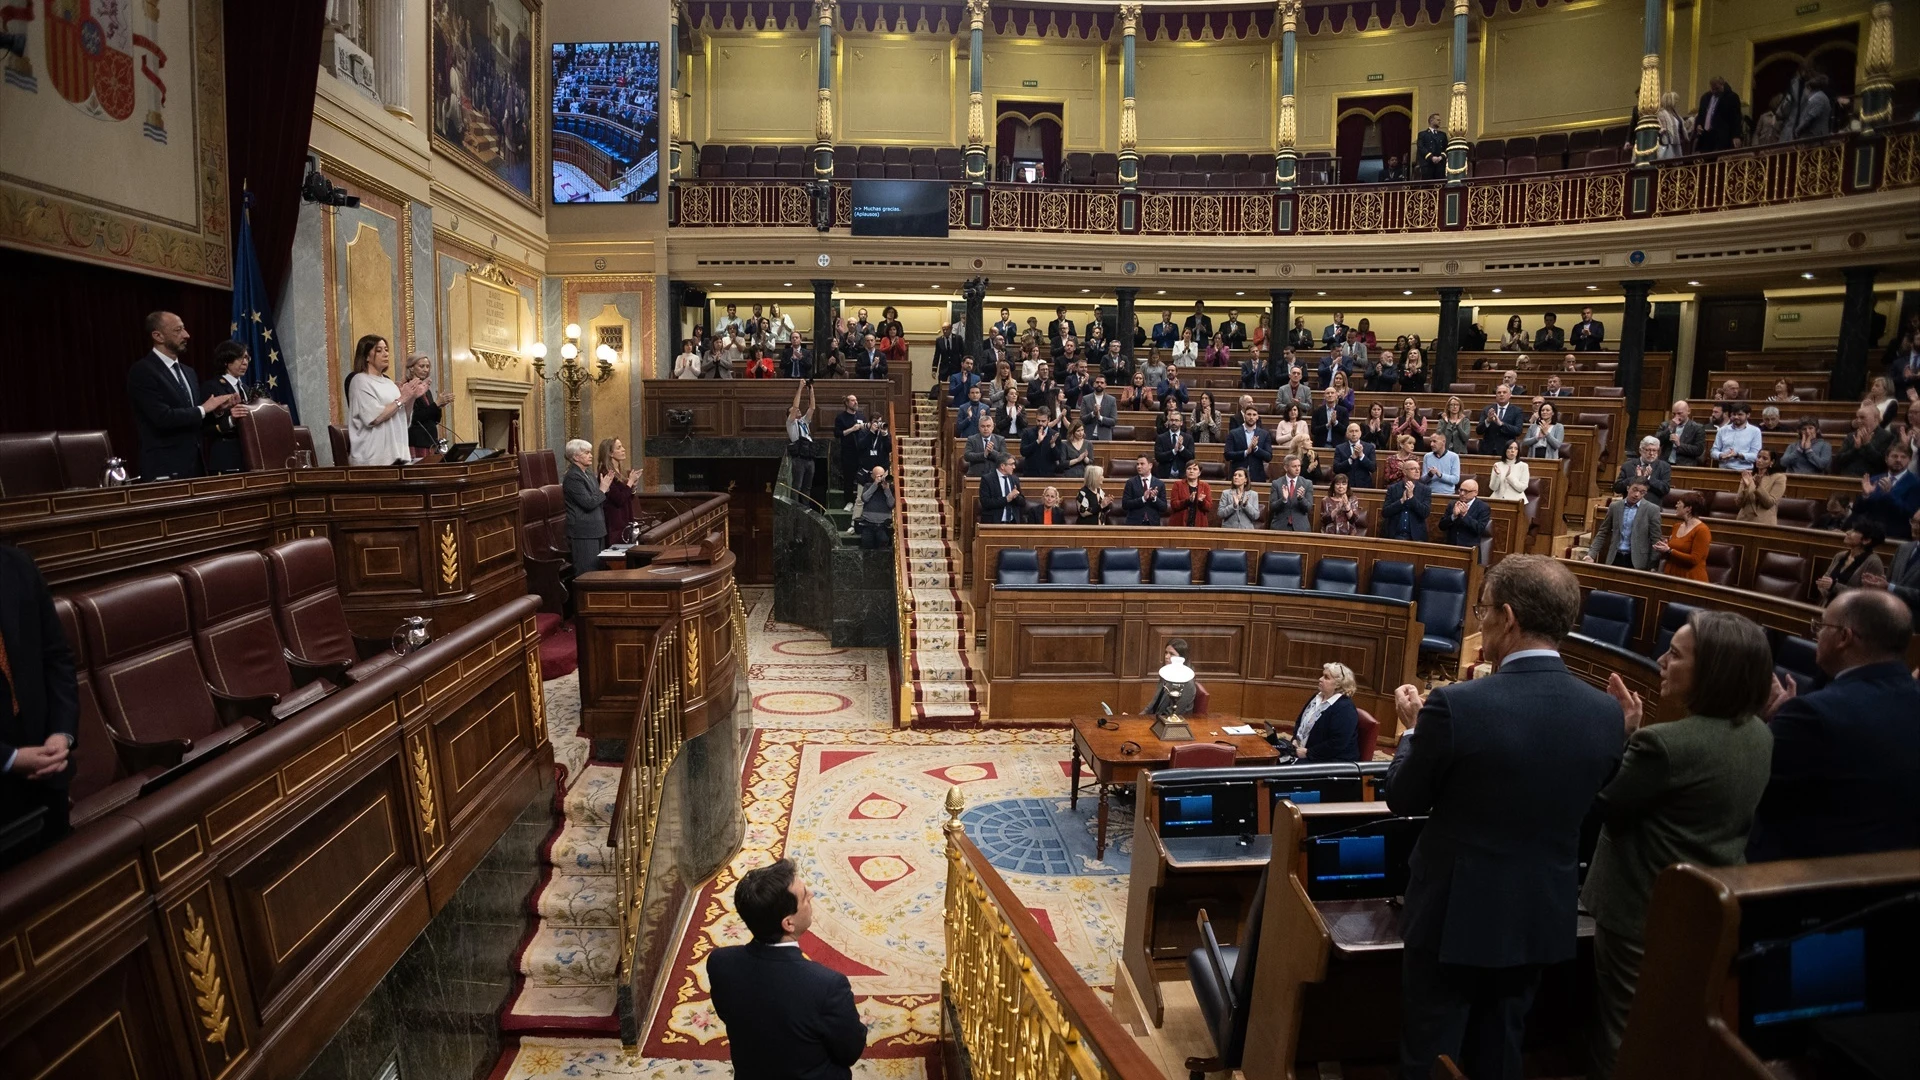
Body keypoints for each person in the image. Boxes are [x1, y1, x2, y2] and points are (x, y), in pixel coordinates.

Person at [1385, 555, 1624, 1080]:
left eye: (1484, 609)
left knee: (1432, 1049)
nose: (1479, 621)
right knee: (1501, 1050)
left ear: (1508, 617)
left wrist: (1409, 732)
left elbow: (1402, 797)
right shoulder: (1607, 714)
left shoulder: (1456, 705)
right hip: (1538, 914)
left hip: (1453, 915)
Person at [1582, 611, 1774, 1080]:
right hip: (1710, 908)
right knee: (1675, 1030)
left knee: (1622, 1033)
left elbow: (1607, 807)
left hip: (1641, 911)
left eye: (1677, 655)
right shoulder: (1760, 733)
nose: (1662, 661)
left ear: (1713, 672)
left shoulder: (1664, 745)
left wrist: (1623, 736)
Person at [1748, 589, 1920, 861]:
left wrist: (1769, 721)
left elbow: (1751, 792)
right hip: (1897, 885)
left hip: (1798, 882)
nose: (1816, 635)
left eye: (1821, 626)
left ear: (1844, 637)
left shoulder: (1811, 714)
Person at [707, 858, 867, 1080]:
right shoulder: (827, 986)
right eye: (803, 896)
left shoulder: (720, 963)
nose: (811, 894)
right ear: (788, 923)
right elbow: (850, 1051)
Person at [0, 542, 79, 866]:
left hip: (47, 780)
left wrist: (62, 734)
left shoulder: (17, 564)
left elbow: (56, 659)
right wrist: (9, 759)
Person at [128, 310, 238, 480]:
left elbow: (194, 419)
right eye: (178, 330)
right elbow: (161, 418)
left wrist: (216, 411)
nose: (187, 335)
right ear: (158, 336)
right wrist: (203, 409)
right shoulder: (143, 371)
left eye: (184, 329)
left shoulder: (189, 372)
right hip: (164, 471)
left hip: (196, 468)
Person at [347, 334, 424, 466]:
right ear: (366, 356)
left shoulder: (389, 383)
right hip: (372, 459)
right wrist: (402, 398)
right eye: (379, 350)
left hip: (397, 457)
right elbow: (374, 418)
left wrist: (411, 398)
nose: (385, 354)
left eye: (386, 349)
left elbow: (403, 420)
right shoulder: (360, 381)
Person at [1287, 663, 1362, 763]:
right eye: (1322, 675)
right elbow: (1300, 720)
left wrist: (1309, 753)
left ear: (1338, 684)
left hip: (1330, 762)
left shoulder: (1345, 708)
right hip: (1302, 751)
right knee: (1275, 753)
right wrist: (1295, 739)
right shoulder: (1317, 697)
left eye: (1326, 677)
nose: (1320, 679)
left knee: (1281, 771)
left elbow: (1337, 743)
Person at [1585, 480, 1662, 569]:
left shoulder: (1652, 509)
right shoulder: (1615, 506)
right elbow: (1603, 532)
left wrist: (1653, 566)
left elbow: (1655, 540)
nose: (1637, 494)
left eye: (1642, 492)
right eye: (1635, 489)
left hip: (1638, 561)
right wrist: (1591, 554)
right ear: (1628, 488)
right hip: (1615, 557)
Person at [562, 438, 611, 572]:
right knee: (587, 572)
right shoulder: (573, 477)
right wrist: (603, 489)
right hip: (584, 533)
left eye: (590, 452)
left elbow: (598, 497)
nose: (591, 455)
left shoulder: (588, 473)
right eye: (586, 453)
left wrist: (604, 489)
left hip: (597, 529)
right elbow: (588, 503)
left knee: (598, 571)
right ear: (576, 457)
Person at [203, 340, 252, 473]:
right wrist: (230, 420)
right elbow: (204, 427)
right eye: (240, 358)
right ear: (226, 361)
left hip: (250, 454)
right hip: (226, 454)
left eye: (247, 358)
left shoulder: (246, 388)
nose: (245, 362)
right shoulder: (212, 387)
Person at [1816, 517, 1886, 604]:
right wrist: (1824, 586)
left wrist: (1834, 586)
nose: (1848, 532)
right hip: (1829, 606)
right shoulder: (1840, 556)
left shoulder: (1873, 562)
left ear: (1866, 540)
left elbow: (1868, 596)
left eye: (1855, 531)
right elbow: (1825, 580)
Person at [404, 352, 452, 457]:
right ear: (411, 368)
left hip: (430, 441)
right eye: (422, 366)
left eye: (427, 366)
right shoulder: (407, 388)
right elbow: (414, 417)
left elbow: (435, 420)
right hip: (416, 441)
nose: (426, 369)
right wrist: (436, 404)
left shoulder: (427, 390)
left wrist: (439, 406)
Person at [1658, 491, 1712, 582]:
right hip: (1671, 576)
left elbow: (1694, 560)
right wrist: (1664, 548)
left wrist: (1670, 550)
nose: (1676, 506)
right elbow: (1670, 554)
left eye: (1679, 503)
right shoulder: (1676, 526)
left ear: (1688, 508)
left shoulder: (1702, 530)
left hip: (1690, 579)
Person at [596, 437, 640, 543]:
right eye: (619, 448)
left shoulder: (620, 471)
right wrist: (630, 483)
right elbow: (619, 499)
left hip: (625, 517)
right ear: (610, 453)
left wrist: (632, 487)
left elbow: (627, 496)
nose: (623, 449)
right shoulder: (606, 473)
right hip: (615, 522)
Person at [1145, 641, 1198, 716]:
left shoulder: (1187, 683)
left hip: (1173, 723)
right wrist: (1137, 718)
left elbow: (1173, 713)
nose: (1166, 656)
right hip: (1157, 719)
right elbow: (1153, 704)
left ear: (1182, 658)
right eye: (1166, 653)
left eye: (1172, 654)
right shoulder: (1166, 674)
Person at [1734, 449, 1785, 524]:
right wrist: (1745, 487)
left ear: (1772, 462)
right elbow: (1739, 503)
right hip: (1744, 521)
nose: (1759, 460)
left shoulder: (1779, 478)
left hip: (1764, 522)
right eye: (1758, 457)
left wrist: (1758, 487)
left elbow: (1769, 503)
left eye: (1764, 458)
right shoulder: (1749, 476)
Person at [1693, 75, 1743, 152]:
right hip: (1706, 137)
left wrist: (1736, 135)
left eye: (1717, 89)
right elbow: (1701, 114)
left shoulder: (1732, 97)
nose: (1714, 91)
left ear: (1723, 85)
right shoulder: (1705, 97)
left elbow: (1736, 118)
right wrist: (1699, 124)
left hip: (1723, 137)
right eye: (1713, 89)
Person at [1440, 478, 1493, 549]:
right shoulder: (1452, 504)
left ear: (1475, 493)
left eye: (1466, 491)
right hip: (1451, 547)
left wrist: (1465, 515)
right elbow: (1441, 526)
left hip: (1470, 549)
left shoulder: (1483, 507)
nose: (1462, 494)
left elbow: (1479, 529)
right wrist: (1453, 516)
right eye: (1461, 490)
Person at [1478, 386, 1524, 462]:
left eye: (1504, 392)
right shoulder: (1487, 409)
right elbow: (1479, 431)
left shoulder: (1517, 411)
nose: (1501, 394)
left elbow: (1518, 431)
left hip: (1506, 450)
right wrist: (1487, 421)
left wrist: (1501, 424)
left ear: (1510, 395)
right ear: (1496, 395)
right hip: (1487, 450)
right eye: (1499, 392)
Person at [1709, 402, 1761, 470]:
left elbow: (1756, 456)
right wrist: (1721, 455)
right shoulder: (1722, 430)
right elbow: (1713, 451)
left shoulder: (1755, 431)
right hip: (1723, 470)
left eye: (1740, 414)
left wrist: (1738, 455)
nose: (1736, 417)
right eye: (1734, 414)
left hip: (1744, 471)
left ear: (1748, 415)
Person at [1268, 455, 1314, 532]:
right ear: (1286, 468)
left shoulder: (1307, 483)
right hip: (1280, 527)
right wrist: (1283, 500)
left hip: (1301, 528)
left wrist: (1301, 499)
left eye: (1299, 466)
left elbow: (1309, 508)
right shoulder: (1276, 483)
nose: (1297, 469)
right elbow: (1272, 507)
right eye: (1294, 466)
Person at [1654, 400, 1705, 468]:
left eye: (1679, 413)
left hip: (1685, 465)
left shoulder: (1697, 428)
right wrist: (1669, 429)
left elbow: (1698, 450)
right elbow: (1656, 442)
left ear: (1688, 411)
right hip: (1665, 464)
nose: (1676, 417)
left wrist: (1679, 444)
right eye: (1674, 414)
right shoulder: (1665, 425)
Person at [1381, 475, 1431, 542]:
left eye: (1418, 468)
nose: (1417, 471)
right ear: (1404, 471)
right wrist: (1401, 501)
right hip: (1394, 536)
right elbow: (1385, 512)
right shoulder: (1393, 488)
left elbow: (1425, 513)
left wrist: (1411, 497)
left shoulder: (1425, 490)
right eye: (1412, 468)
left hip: (1416, 538)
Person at [855, 466, 894, 548]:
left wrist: (887, 489)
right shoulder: (868, 486)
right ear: (873, 476)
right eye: (879, 476)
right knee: (866, 546)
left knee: (883, 546)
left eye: (882, 475)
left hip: (883, 525)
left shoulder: (890, 488)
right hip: (868, 524)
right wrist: (875, 485)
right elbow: (864, 498)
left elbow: (891, 504)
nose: (881, 478)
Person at [1122, 455, 1168, 526]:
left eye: (1142, 464)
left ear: (1150, 465)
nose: (1138, 466)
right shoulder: (1130, 483)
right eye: (1137, 464)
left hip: (1153, 524)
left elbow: (1164, 507)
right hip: (1134, 524)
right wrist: (1143, 499)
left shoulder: (1159, 484)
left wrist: (1154, 499)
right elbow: (1125, 504)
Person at [979, 454, 1025, 525]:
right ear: (1002, 466)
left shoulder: (1014, 479)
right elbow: (986, 502)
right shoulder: (987, 479)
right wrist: (1006, 499)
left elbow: (1022, 502)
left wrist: (1016, 497)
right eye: (1011, 464)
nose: (1014, 467)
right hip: (994, 523)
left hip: (1013, 523)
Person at [1169, 460, 1213, 528]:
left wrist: (1202, 501)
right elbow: (1174, 505)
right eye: (1189, 468)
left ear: (1199, 473)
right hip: (1179, 523)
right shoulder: (1178, 484)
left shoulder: (1205, 486)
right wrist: (1188, 501)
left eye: (1195, 469)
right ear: (1186, 471)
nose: (1191, 471)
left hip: (1199, 524)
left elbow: (1209, 507)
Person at [1334, 422, 1375, 489]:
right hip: (1346, 486)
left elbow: (1373, 468)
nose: (1354, 434)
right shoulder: (1339, 448)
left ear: (1360, 433)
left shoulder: (1369, 447)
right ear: (1347, 434)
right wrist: (1351, 459)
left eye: (1356, 431)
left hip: (1364, 485)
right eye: (1351, 431)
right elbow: (1336, 469)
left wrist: (1362, 456)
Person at [1154, 412, 1195, 480]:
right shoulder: (1161, 438)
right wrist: (1174, 451)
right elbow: (1158, 457)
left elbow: (1191, 457)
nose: (1173, 423)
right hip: (1165, 475)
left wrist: (1181, 448)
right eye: (1172, 420)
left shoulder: (1188, 438)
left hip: (1183, 476)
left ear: (1181, 423)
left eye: (1176, 420)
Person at [1421, 431, 1461, 497]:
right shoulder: (1427, 456)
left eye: (1434, 441)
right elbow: (1423, 480)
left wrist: (1440, 475)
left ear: (1443, 442)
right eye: (1430, 441)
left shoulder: (1454, 457)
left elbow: (1455, 479)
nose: (1431, 444)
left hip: (1448, 494)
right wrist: (1430, 475)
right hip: (1430, 493)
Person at [1416, 112, 1448, 180]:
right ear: (1431, 120)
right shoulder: (1423, 134)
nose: (1440, 121)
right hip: (1427, 164)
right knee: (1428, 185)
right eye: (1438, 120)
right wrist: (1431, 157)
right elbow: (1421, 147)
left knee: (1440, 185)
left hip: (1440, 164)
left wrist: (1441, 157)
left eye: (1440, 120)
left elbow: (1446, 148)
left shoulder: (1442, 135)